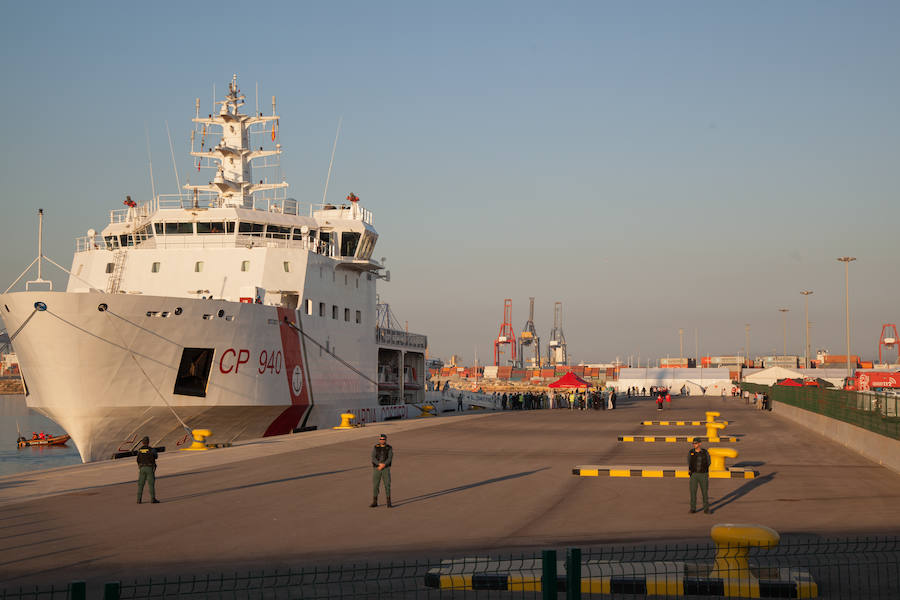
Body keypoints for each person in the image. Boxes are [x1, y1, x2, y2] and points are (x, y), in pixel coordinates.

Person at [370, 433, 393, 508]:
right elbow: (373, 458)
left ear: (385, 440)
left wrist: (384, 465)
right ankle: (375, 501)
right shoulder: (375, 447)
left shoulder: (389, 448)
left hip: (385, 469)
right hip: (377, 468)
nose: (382, 440)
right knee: (375, 485)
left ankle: (389, 501)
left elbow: (390, 458)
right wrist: (379, 464)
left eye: (383, 439)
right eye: (380, 439)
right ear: (379, 440)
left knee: (387, 485)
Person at [688, 439, 710, 514]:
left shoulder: (705, 452)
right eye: (693, 443)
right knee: (693, 492)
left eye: (696, 443)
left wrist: (704, 470)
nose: (694, 445)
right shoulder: (691, 452)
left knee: (704, 492)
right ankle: (693, 508)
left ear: (700, 444)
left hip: (703, 474)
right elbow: (689, 461)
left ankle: (706, 509)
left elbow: (709, 462)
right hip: (694, 475)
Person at [136, 436, 160, 504]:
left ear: (142, 442)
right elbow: (156, 456)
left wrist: (140, 466)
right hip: (149, 468)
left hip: (142, 468)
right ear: (148, 442)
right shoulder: (151, 449)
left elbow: (137, 459)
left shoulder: (139, 450)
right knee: (151, 484)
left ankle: (139, 499)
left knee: (141, 484)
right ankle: (153, 499)